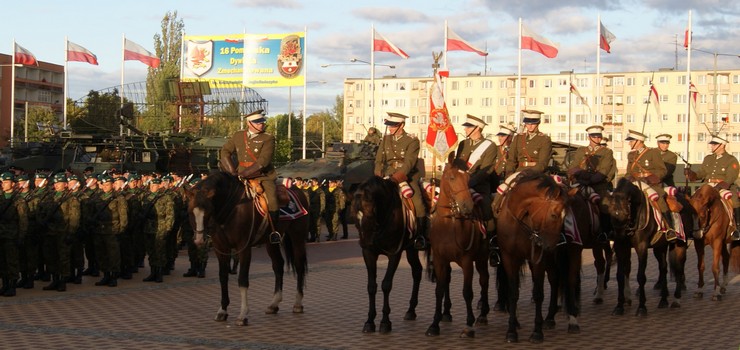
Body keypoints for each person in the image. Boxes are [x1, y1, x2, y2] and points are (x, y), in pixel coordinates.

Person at [220, 109, 281, 244]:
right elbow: (225, 152)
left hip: (262, 175)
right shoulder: (238, 135)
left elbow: (263, 161)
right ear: (249, 123)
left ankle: (273, 231)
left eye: (262, 122)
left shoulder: (268, 138)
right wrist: (231, 172)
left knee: (271, 198)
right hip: (238, 174)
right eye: (257, 122)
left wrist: (243, 174)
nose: (262, 124)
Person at [374, 112, 427, 249]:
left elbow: (409, 163)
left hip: (406, 176)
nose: (390, 128)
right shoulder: (385, 139)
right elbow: (379, 160)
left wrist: (396, 178)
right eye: (389, 125)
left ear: (401, 125)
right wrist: (378, 174)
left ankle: (420, 235)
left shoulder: (412, 140)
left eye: (393, 126)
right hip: (387, 174)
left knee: (418, 203)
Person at [454, 114, 499, 265]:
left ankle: (493, 245)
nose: (465, 129)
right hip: (461, 185)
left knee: (487, 208)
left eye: (468, 127)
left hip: (479, 185)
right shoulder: (462, 144)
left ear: (477, 128)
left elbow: (485, 171)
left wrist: (468, 183)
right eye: (466, 126)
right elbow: (457, 165)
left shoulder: (490, 146)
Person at [494, 110, 553, 213]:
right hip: (519, 172)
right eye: (527, 123)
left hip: (536, 173)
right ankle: (496, 216)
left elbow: (543, 163)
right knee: (501, 192)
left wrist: (528, 173)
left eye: (533, 123)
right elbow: (511, 159)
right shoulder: (518, 138)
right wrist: (509, 175)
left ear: (538, 123)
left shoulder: (544, 139)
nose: (529, 126)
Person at [685, 135, 740, 240]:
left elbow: (730, 177)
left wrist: (719, 186)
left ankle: (737, 228)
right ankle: (692, 228)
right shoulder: (708, 158)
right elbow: (701, 173)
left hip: (724, 186)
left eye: (714, 144)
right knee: (693, 201)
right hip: (707, 186)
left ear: (722, 145)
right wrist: (691, 174)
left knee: (734, 200)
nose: (712, 146)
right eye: (712, 144)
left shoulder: (731, 160)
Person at [567, 125, 617, 241]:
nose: (598, 139)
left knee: (605, 206)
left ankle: (605, 232)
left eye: (599, 136)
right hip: (579, 184)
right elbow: (574, 167)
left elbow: (603, 172)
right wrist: (572, 175)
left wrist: (587, 179)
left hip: (598, 186)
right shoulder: (581, 151)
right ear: (589, 137)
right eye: (595, 136)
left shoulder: (607, 152)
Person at [624, 129, 676, 241]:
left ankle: (670, 227)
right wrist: (628, 179)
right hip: (634, 183)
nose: (629, 143)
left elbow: (662, 170)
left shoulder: (653, 153)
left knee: (658, 197)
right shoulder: (631, 155)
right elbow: (629, 172)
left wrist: (648, 178)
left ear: (638, 141)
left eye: (631, 141)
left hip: (650, 183)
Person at [39, 174, 81, 292]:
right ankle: (55, 279)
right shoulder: (49, 197)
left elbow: (74, 217)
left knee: (63, 257)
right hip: (50, 232)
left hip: (63, 232)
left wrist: (71, 233)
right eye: (55, 183)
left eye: (59, 183)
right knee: (51, 257)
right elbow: (41, 211)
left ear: (66, 184)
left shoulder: (71, 198)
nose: (56, 185)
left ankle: (62, 281)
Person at [90, 175, 128, 287]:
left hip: (112, 230)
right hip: (99, 230)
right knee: (101, 254)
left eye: (108, 185)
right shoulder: (98, 197)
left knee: (113, 255)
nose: (105, 187)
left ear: (112, 185)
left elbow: (123, 215)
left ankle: (113, 277)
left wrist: (121, 229)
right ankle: (105, 275)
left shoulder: (118, 198)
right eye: (104, 185)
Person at [0, 172, 29, 297]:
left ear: (13, 183)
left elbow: (23, 220)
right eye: (2, 182)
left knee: (12, 261)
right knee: (2, 262)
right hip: (1, 235)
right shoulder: (1, 198)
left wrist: (21, 236)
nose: (3, 185)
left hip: (12, 235)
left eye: (6, 182)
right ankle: (4, 284)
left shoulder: (19, 200)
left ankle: (12, 286)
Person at [141, 178, 174, 283]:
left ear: (159, 186)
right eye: (151, 185)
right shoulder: (146, 197)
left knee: (159, 250)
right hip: (148, 227)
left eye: (154, 185)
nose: (152, 187)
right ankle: (153, 272)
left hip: (161, 226)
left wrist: (168, 228)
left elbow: (170, 214)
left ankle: (159, 273)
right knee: (151, 251)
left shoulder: (166, 198)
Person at [307, 177, 325, 242]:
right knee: (311, 224)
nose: (312, 183)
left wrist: (322, 209)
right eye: (311, 181)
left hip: (317, 208)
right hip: (310, 209)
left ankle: (317, 236)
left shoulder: (320, 191)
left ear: (316, 182)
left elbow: (322, 201)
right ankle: (312, 237)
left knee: (317, 223)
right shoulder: (309, 190)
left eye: (313, 181)